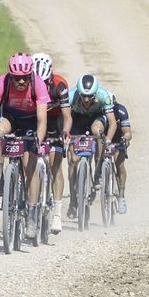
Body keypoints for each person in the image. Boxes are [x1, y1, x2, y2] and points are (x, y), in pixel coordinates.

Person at [0, 53, 50, 240]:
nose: (21, 82)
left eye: (24, 78)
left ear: (30, 75)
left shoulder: (38, 83)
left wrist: (37, 141)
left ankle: (32, 215)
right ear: (11, 75)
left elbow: (42, 120)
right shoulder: (4, 82)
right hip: (11, 118)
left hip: (31, 122)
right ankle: (0, 174)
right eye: (17, 78)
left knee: (29, 165)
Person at [67, 73, 118, 219]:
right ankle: (73, 200)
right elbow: (65, 118)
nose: (87, 99)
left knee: (97, 131)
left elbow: (112, 122)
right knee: (74, 160)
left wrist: (107, 140)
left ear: (95, 93)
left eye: (90, 96)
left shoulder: (103, 96)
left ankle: (98, 167)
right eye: (83, 96)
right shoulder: (71, 96)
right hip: (77, 120)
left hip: (96, 118)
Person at [33, 53, 70, 236]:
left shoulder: (59, 84)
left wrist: (65, 132)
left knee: (56, 164)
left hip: (55, 121)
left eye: (44, 82)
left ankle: (56, 211)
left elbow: (67, 116)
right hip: (35, 119)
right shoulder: (27, 83)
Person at [109, 95, 132, 214]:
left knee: (119, 163)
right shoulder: (100, 112)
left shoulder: (121, 110)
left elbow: (128, 132)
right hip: (105, 137)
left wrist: (125, 138)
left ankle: (121, 196)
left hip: (118, 138)